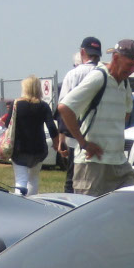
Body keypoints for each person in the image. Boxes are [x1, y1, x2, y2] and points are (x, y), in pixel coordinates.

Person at [57, 39, 134, 197]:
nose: (133, 70)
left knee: (131, 210)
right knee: (89, 217)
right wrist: (83, 143)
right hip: (93, 164)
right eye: (130, 65)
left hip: (119, 162)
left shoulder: (124, 83)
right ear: (115, 58)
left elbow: (126, 112)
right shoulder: (98, 77)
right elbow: (65, 108)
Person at [3, 75, 61, 196]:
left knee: (21, 179)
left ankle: (20, 206)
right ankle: (32, 203)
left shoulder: (16, 104)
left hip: (20, 149)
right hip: (38, 149)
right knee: (33, 179)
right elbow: (51, 126)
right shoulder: (44, 106)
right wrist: (57, 143)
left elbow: (8, 123)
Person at [57, 36, 102, 192]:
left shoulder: (73, 74)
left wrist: (62, 136)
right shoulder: (104, 73)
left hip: (74, 135)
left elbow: (63, 106)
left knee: (72, 178)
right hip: (98, 134)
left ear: (83, 52)